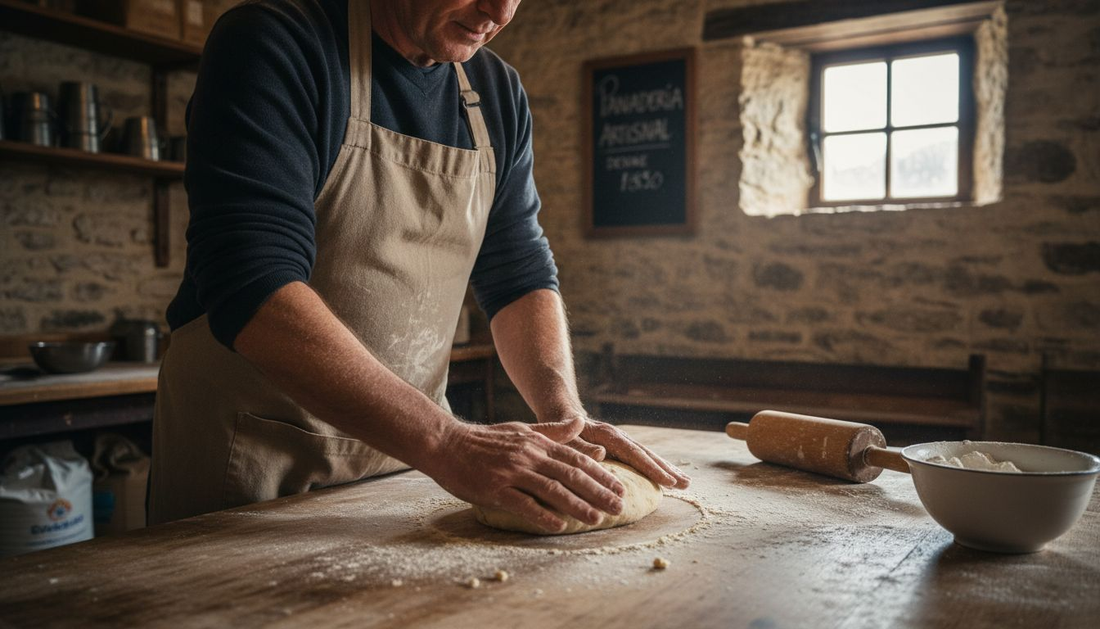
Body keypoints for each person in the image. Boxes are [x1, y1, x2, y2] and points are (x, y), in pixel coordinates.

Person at [148, 0, 690, 531]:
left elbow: (518, 270)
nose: (499, 12)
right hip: (252, 470)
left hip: (405, 467)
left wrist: (567, 420)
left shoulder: (496, 94)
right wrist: (448, 440)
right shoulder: (276, 44)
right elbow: (253, 281)